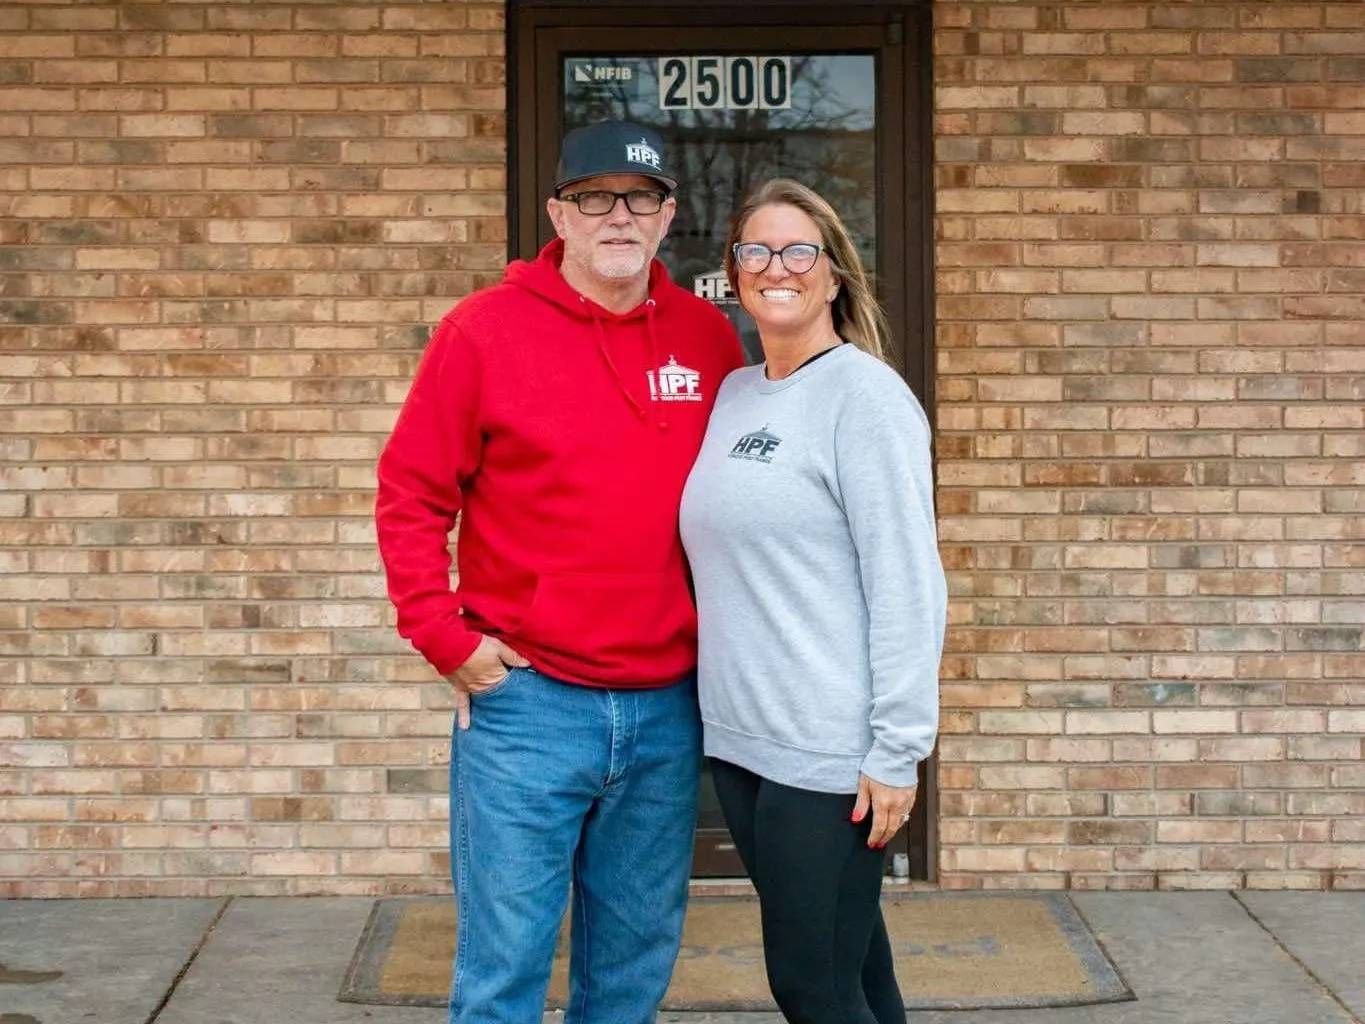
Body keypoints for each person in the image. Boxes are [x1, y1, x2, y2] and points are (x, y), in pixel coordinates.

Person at [375, 121, 743, 1024]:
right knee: (503, 972)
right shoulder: (482, 332)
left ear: (667, 216)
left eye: (640, 198)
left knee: (630, 973)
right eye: (594, 198)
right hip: (529, 708)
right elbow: (411, 492)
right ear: (559, 215)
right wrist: (443, 638)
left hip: (667, 708)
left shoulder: (708, 340)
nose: (618, 216)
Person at [679, 179, 947, 1024]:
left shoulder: (865, 399)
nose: (776, 267)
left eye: (798, 251)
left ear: (833, 276)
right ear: (733, 274)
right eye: (755, 250)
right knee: (855, 972)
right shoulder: (732, 395)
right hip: (740, 743)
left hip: (829, 754)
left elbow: (907, 580)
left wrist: (896, 748)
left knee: (810, 985)